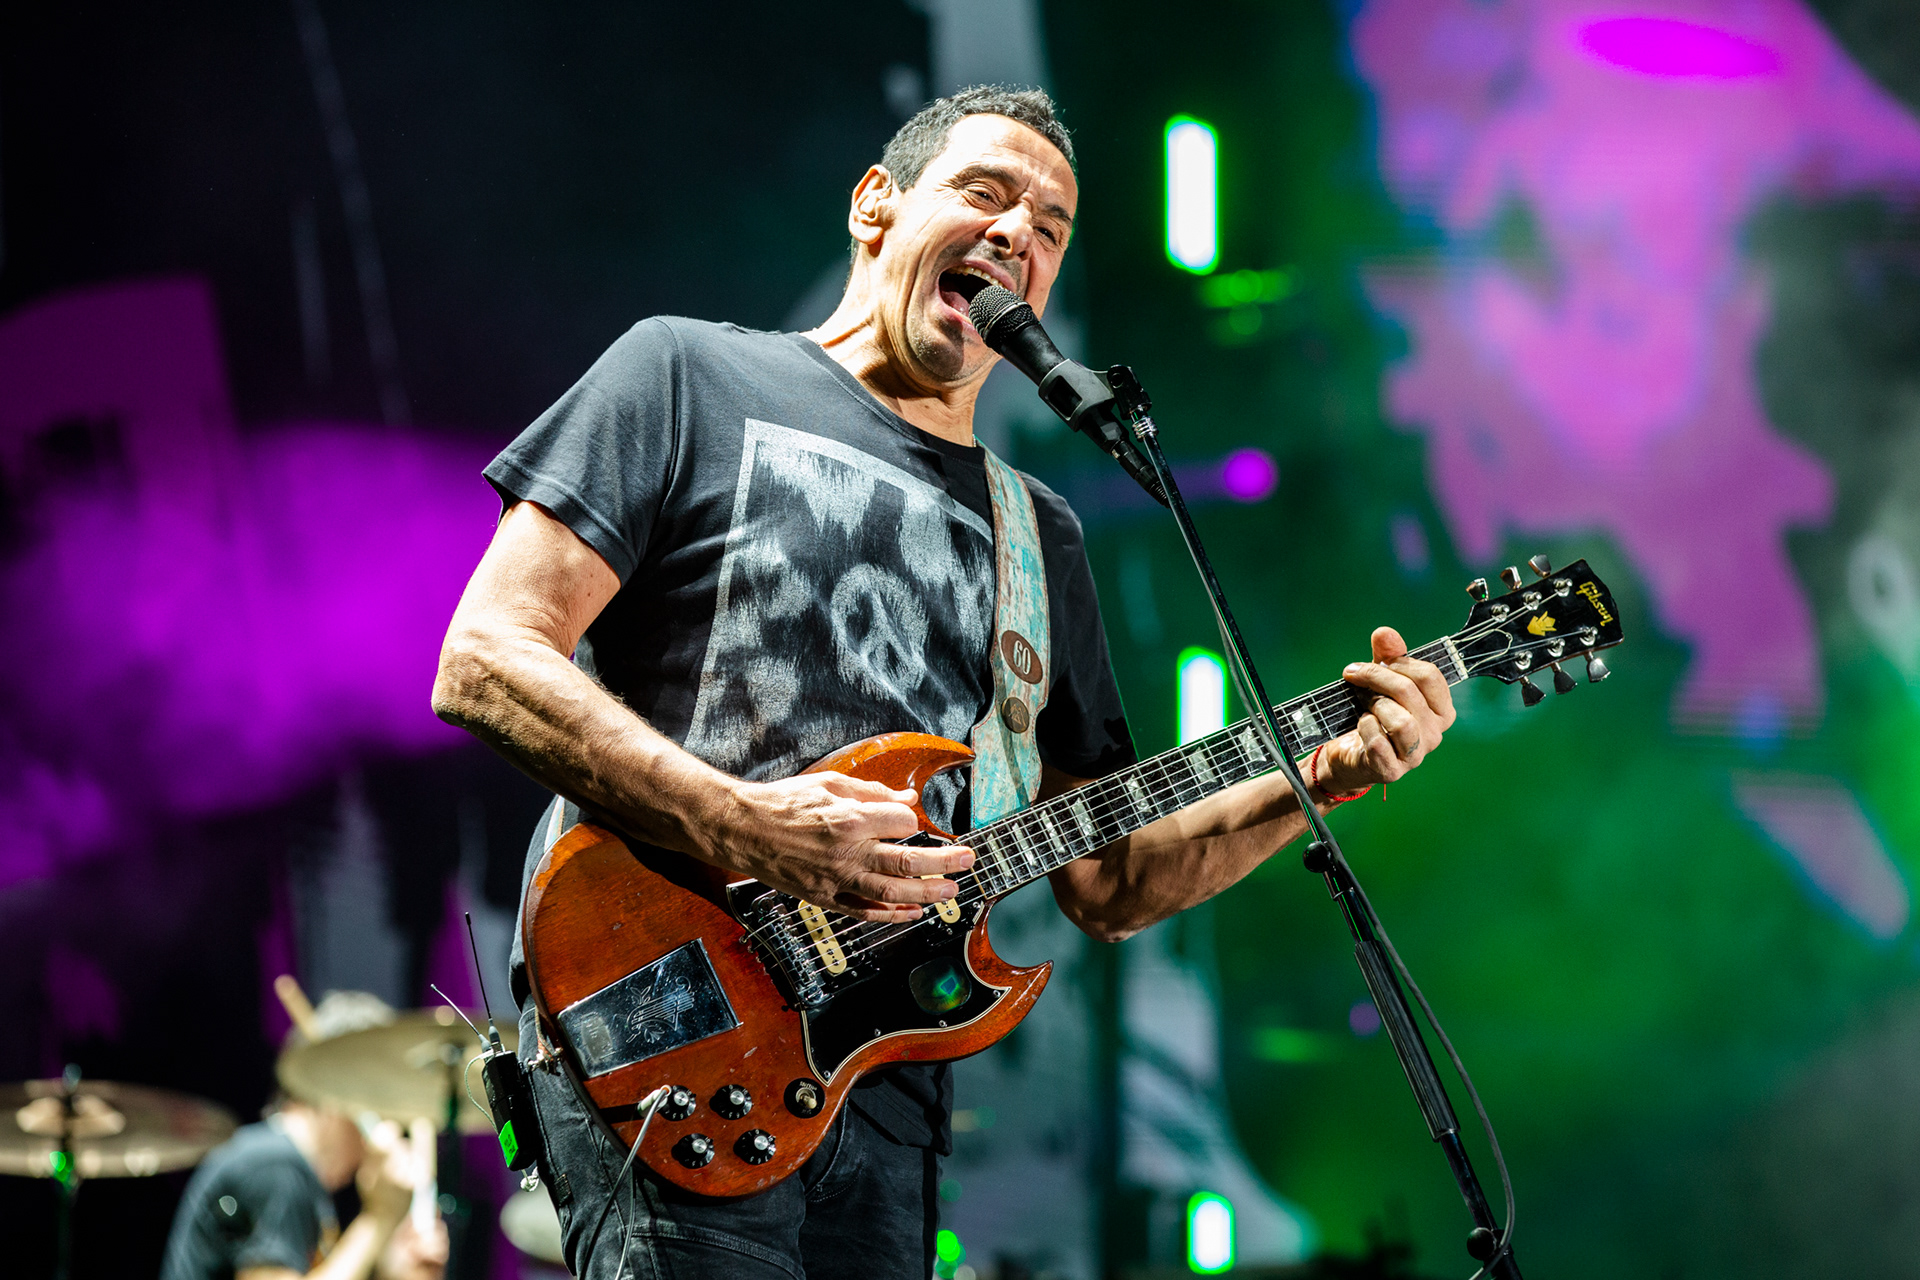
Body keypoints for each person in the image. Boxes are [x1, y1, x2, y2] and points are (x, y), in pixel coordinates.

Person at [431, 85, 1454, 1280]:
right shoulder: (685, 375)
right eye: (985, 192)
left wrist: (1313, 778)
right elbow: (485, 657)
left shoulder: (1039, 535)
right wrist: (748, 823)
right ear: (876, 203)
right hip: (671, 1018)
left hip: (885, 1088)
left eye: (1052, 226)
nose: (1020, 232)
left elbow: (1111, 876)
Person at [158, 1099, 447, 1280]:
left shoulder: (290, 1170)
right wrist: (378, 1217)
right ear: (333, 1103)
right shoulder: (276, 1167)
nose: (367, 1146)